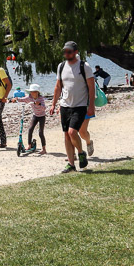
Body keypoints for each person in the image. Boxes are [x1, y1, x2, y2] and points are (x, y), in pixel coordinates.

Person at [49, 41, 95, 172]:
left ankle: (80, 153)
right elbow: (58, 86)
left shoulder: (84, 66)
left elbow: (91, 88)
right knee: (66, 135)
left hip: (80, 105)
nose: (66, 54)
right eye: (65, 51)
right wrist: (53, 103)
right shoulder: (61, 66)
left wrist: (91, 105)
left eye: (69, 51)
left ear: (75, 52)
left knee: (72, 132)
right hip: (65, 105)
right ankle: (71, 164)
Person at [11, 83, 47, 154]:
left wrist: (38, 104)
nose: (31, 93)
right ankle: (29, 145)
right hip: (35, 115)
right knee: (30, 129)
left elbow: (44, 108)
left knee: (40, 132)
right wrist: (16, 99)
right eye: (30, 91)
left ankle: (44, 149)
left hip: (42, 116)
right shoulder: (29, 97)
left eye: (33, 91)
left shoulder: (41, 98)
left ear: (37, 92)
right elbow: (22, 99)